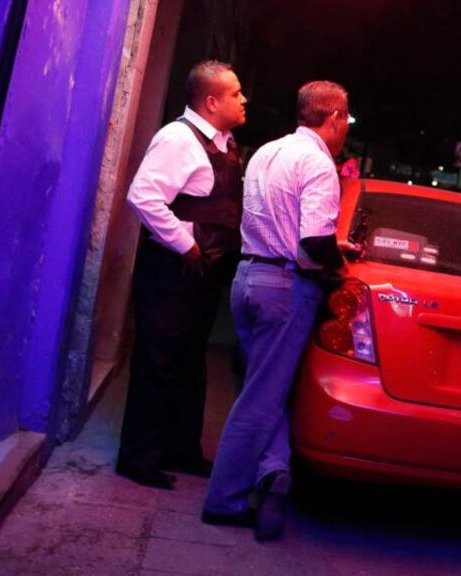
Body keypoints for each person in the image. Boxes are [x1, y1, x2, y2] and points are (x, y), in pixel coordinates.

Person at [202, 80, 351, 541]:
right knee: (262, 400)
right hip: (285, 288)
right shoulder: (320, 164)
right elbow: (312, 241)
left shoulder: (268, 151)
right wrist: (339, 264)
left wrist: (322, 246)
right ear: (335, 118)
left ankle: (273, 470)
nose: (345, 128)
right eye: (346, 119)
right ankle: (224, 501)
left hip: (247, 278)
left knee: (262, 387)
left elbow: (282, 221)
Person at [117, 60, 247, 489]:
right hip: (172, 270)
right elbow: (144, 197)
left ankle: (180, 451)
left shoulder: (225, 144)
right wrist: (185, 244)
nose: (243, 100)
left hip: (203, 272)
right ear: (212, 102)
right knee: (157, 364)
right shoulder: (177, 139)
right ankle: (138, 460)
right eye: (235, 94)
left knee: (190, 364)